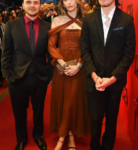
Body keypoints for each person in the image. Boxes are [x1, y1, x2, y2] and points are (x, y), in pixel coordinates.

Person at [81, 0, 136, 150]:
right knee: (95, 119)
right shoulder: (89, 19)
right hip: (94, 80)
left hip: (115, 81)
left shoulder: (126, 20)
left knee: (111, 120)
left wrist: (112, 78)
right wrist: (94, 76)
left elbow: (129, 54)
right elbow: (85, 51)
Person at [1, 0, 53, 150]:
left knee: (39, 110)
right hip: (17, 78)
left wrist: (50, 75)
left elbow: (50, 54)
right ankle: (21, 139)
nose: (32, 5)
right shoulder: (11, 26)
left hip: (40, 77)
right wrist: (7, 74)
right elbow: (6, 53)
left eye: (35, 2)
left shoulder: (47, 26)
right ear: (23, 5)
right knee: (19, 112)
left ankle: (38, 136)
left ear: (40, 5)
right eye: (28, 2)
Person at [48, 0, 90, 149]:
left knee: (73, 102)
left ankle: (64, 136)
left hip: (79, 66)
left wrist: (79, 65)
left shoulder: (86, 21)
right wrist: (63, 64)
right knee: (64, 101)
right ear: (62, 3)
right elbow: (52, 46)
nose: (69, 2)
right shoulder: (57, 20)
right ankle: (67, 135)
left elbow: (88, 47)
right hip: (62, 67)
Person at [0, 10, 5, 87]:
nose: (1, 17)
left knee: (1, 63)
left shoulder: (3, 25)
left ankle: (1, 78)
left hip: (2, 48)